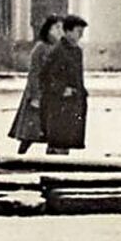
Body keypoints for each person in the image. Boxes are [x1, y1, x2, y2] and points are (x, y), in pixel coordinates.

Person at [8, 15, 62, 154]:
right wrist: (35, 96)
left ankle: (53, 158)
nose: (60, 31)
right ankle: (20, 156)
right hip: (40, 94)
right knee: (31, 131)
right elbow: (34, 73)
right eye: (56, 28)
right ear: (48, 30)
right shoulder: (40, 48)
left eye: (62, 28)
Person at [39, 14, 88, 154]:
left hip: (73, 103)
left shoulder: (77, 51)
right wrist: (61, 89)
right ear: (68, 32)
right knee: (58, 140)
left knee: (66, 141)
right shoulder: (57, 51)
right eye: (78, 32)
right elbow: (45, 76)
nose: (81, 36)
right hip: (58, 104)